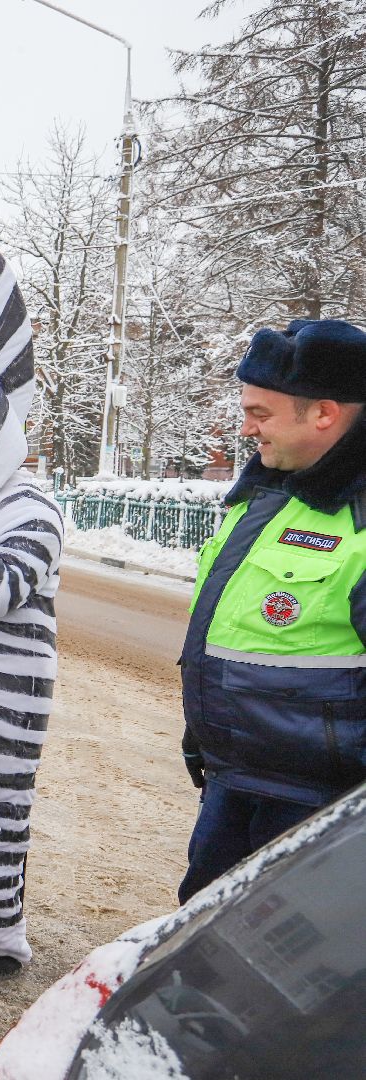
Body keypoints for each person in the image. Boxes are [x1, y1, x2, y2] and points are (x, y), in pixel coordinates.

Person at [179, 318, 366, 903]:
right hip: (236, 786)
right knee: (200, 950)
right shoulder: (268, 492)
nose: (245, 428)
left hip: (321, 812)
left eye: (260, 413)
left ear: (324, 413)